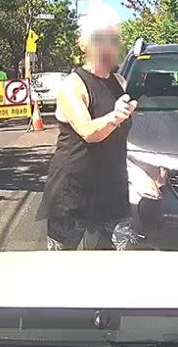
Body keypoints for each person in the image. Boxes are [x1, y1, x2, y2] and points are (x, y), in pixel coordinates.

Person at [37, 20, 136, 250]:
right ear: (84, 46)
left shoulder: (119, 82)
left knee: (123, 261)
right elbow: (89, 132)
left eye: (113, 40)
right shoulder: (72, 85)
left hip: (113, 191)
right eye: (99, 39)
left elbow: (122, 137)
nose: (107, 46)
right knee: (63, 265)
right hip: (73, 191)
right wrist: (115, 116)